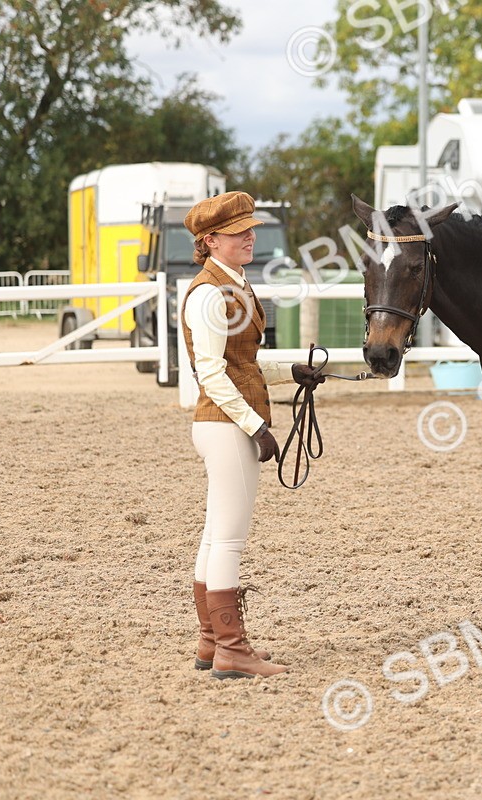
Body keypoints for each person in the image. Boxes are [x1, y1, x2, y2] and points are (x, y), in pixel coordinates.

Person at [180, 191, 325, 680]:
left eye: (250, 229)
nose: (249, 236)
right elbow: (210, 372)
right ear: (210, 240)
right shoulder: (208, 293)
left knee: (214, 536)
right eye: (237, 232)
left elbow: (242, 363)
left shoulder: (234, 283)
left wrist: (291, 371)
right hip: (225, 425)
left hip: (225, 423)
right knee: (228, 541)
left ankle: (211, 641)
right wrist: (256, 426)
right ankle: (231, 649)